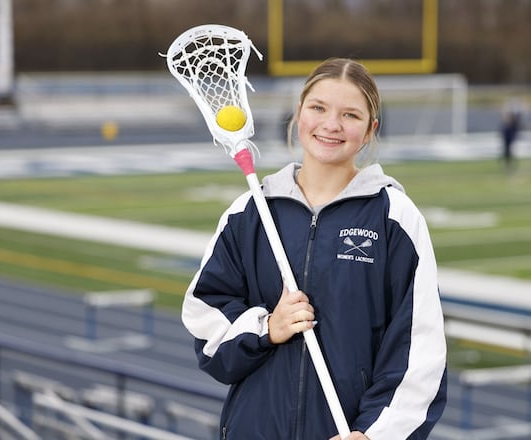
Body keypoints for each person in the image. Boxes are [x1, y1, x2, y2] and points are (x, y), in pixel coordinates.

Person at [181, 58, 448, 440]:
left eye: (350, 115)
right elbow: (205, 321)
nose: (331, 124)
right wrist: (266, 327)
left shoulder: (395, 219)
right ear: (299, 113)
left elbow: (421, 349)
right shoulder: (251, 213)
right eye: (318, 108)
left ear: (370, 129)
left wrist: (374, 433)